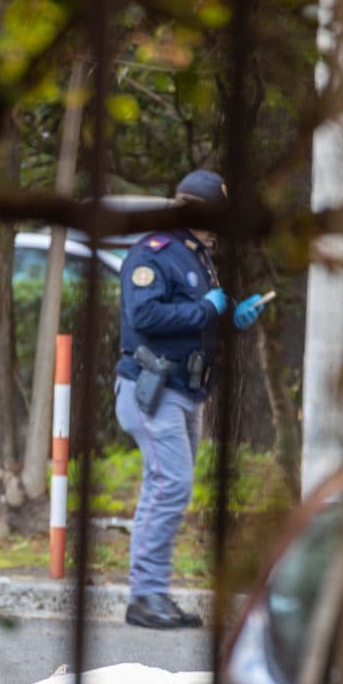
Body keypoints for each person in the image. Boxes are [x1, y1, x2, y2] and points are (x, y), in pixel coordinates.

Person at [115, 169, 268, 630]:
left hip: (184, 390)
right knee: (172, 486)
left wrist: (230, 319)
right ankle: (146, 596)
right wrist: (207, 309)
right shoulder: (154, 252)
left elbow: (195, 319)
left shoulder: (197, 257)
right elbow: (143, 313)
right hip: (153, 389)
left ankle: (149, 593)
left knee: (162, 488)